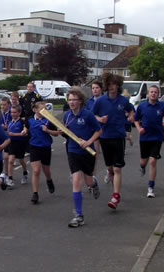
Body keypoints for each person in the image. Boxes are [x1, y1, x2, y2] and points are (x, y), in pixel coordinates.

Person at [93, 73, 134, 210]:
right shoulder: (100, 101)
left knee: (117, 168)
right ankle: (110, 175)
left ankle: (116, 196)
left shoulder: (123, 101)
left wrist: (131, 117)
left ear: (118, 86)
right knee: (110, 167)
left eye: (114, 84)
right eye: (109, 84)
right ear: (106, 85)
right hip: (105, 137)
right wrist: (100, 120)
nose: (112, 87)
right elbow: (92, 115)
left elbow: (131, 109)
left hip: (118, 137)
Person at [63, 87, 102, 228]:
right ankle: (78, 215)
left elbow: (99, 130)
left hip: (87, 152)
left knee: (88, 181)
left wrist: (89, 142)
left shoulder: (88, 115)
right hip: (73, 151)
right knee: (76, 180)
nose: (72, 102)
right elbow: (66, 133)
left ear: (80, 101)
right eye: (70, 99)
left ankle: (94, 184)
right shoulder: (66, 115)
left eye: (74, 99)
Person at [134, 85, 164, 198]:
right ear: (148, 93)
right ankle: (142, 167)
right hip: (144, 138)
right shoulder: (142, 106)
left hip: (157, 138)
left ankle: (151, 187)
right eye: (151, 92)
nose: (153, 94)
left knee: (153, 161)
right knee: (144, 162)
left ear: (158, 94)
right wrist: (138, 129)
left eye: (155, 92)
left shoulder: (162, 106)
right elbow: (135, 119)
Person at [27, 101, 61, 204]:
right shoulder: (30, 119)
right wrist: (24, 131)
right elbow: (25, 128)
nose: (44, 111)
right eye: (41, 109)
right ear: (35, 110)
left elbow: (56, 134)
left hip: (45, 147)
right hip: (34, 147)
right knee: (36, 170)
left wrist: (48, 131)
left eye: (45, 109)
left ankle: (49, 180)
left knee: (46, 170)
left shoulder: (49, 121)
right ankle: (35, 193)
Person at [6, 104, 29, 185]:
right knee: (11, 160)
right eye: (11, 112)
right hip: (11, 143)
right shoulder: (9, 122)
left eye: (15, 112)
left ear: (19, 113)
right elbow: (8, 133)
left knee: (21, 160)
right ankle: (10, 178)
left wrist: (13, 134)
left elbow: (25, 134)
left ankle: (25, 172)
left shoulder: (22, 122)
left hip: (20, 143)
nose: (13, 114)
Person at [0, 96, 14, 187]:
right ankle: (3, 173)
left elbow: (15, 124)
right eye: (1, 105)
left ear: (9, 104)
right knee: (3, 157)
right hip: (1, 137)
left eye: (4, 105)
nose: (2, 107)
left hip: (10, 137)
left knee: (7, 157)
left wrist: (6, 126)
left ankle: (7, 174)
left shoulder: (11, 113)